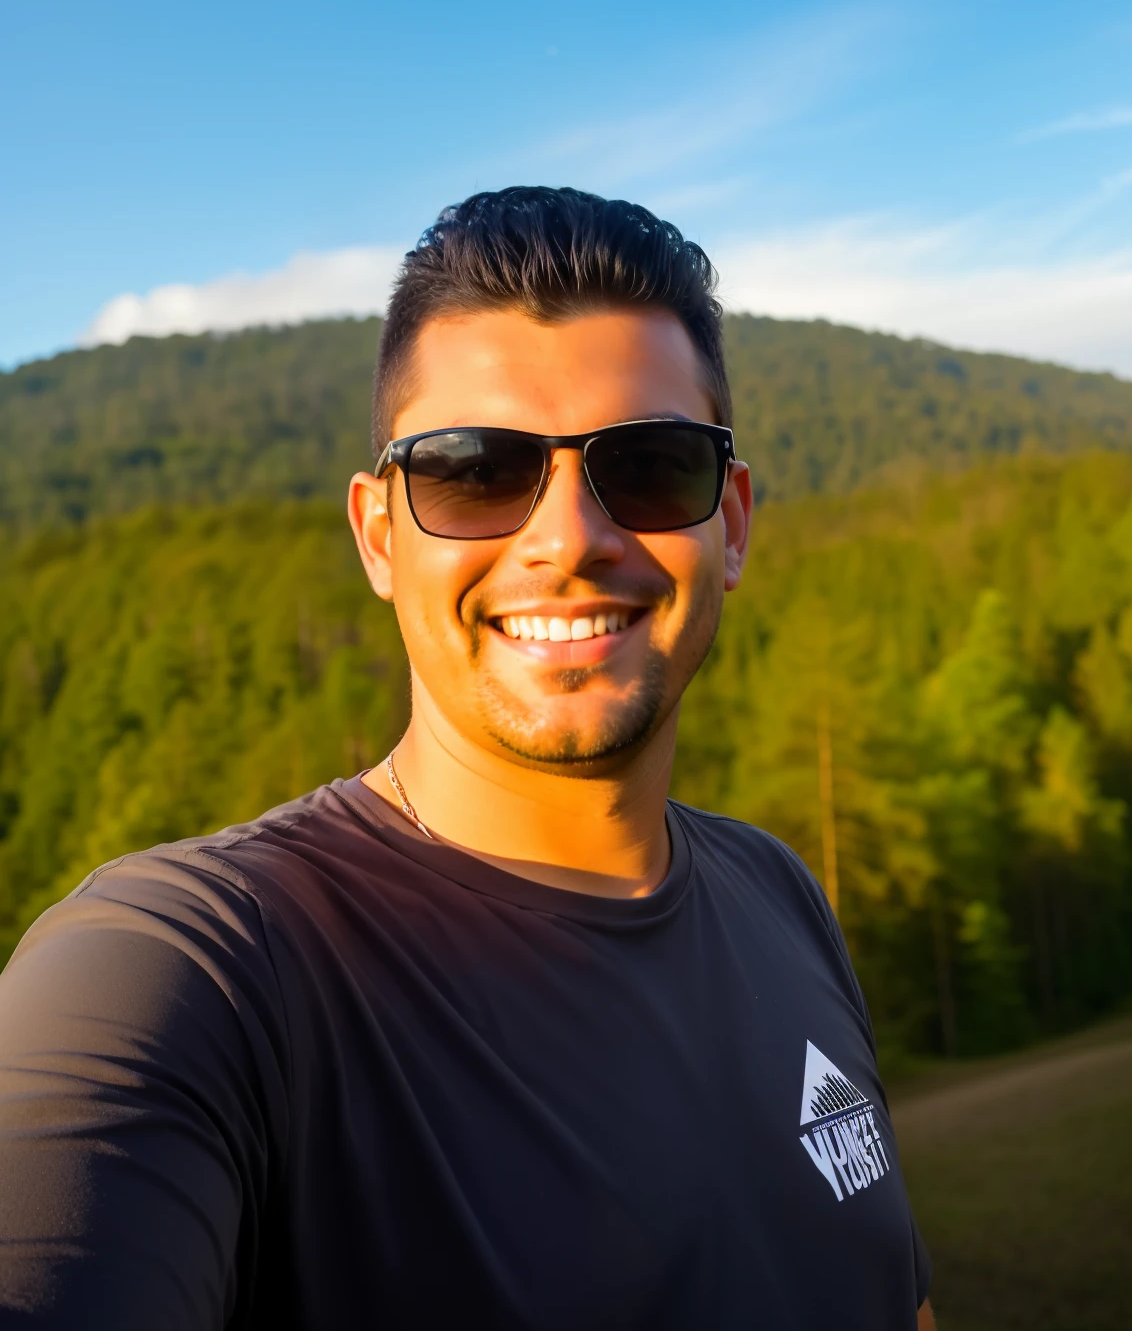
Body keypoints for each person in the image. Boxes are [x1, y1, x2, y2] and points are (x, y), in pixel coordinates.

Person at [0, 187, 934, 1329]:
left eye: (648, 467)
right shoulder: (198, 971)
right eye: (475, 471)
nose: (567, 539)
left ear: (729, 524)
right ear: (380, 536)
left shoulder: (780, 896)